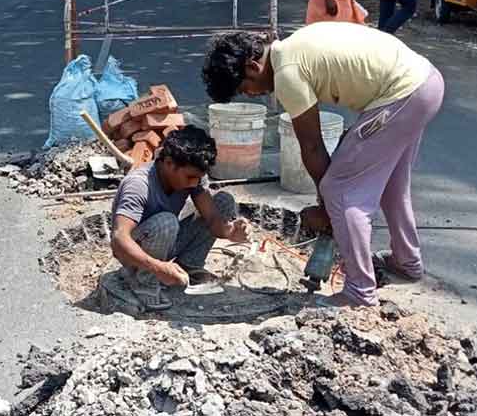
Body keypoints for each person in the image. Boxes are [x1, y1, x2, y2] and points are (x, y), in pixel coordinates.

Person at [202, 23, 444, 308]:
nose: (252, 94)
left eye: (246, 88)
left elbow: (312, 145)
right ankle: (406, 262)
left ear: (253, 66)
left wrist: (327, 205)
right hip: (424, 82)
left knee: (341, 190)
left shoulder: (287, 73)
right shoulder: (293, 46)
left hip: (403, 94)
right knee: (392, 183)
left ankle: (359, 291)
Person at [110, 126, 250, 310]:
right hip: (134, 252)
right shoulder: (138, 185)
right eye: (190, 177)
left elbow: (212, 217)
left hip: (166, 241)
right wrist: (158, 268)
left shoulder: (192, 176)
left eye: (198, 178)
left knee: (223, 201)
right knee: (167, 222)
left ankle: (188, 266)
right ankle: (143, 281)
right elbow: (119, 240)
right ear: (168, 163)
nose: (194, 183)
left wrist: (231, 232)